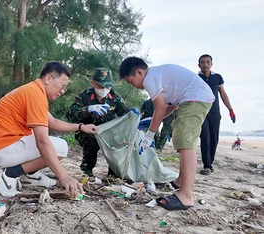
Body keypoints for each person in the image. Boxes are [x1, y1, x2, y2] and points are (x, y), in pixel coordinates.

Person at [0, 61, 98, 198]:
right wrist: (64, 177)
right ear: (48, 78)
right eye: (62, 86)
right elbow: (42, 142)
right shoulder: (35, 95)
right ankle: (9, 175)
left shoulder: (33, 90)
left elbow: (52, 121)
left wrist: (81, 127)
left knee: (56, 145)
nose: (62, 91)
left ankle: (31, 175)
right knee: (60, 147)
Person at [119, 57, 214, 211]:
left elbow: (160, 108)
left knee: (185, 141)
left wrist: (149, 135)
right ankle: (180, 182)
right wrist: (152, 121)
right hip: (195, 97)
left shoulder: (150, 78)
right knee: (181, 136)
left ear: (139, 72)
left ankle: (186, 195)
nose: (134, 86)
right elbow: (170, 106)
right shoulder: (158, 75)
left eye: (131, 82)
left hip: (195, 98)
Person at [66, 68, 140, 177]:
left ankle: (114, 172)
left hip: (109, 132)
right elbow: (70, 115)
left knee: (119, 140)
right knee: (91, 140)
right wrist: (88, 109)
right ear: (93, 83)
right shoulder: (84, 96)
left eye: (108, 86)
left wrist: (134, 115)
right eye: (101, 86)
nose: (105, 89)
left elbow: (124, 113)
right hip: (87, 131)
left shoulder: (114, 97)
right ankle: (87, 169)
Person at [198, 54, 236, 175]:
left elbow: (223, 94)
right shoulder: (196, 78)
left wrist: (230, 109)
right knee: (205, 137)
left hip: (215, 112)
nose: (205, 64)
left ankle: (210, 163)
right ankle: (207, 165)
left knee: (214, 138)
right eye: (203, 62)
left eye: (208, 62)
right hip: (201, 112)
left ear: (211, 64)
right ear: (199, 65)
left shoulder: (217, 77)